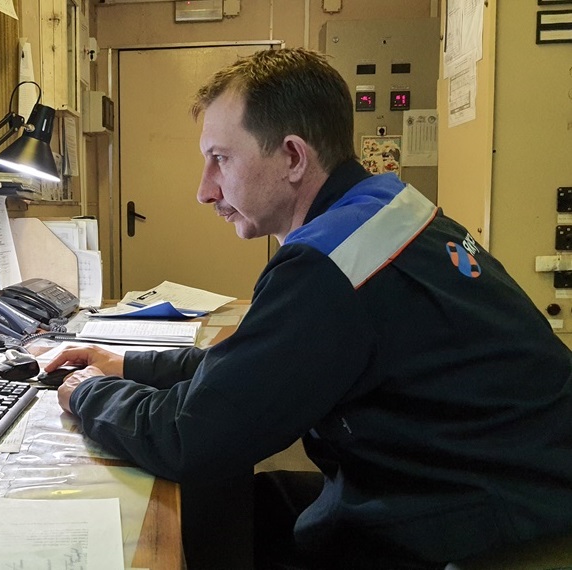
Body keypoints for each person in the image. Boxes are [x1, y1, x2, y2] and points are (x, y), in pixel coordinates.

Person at [44, 48, 572, 569]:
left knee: (208, 509)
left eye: (221, 159)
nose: (204, 190)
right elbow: (257, 366)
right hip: (497, 485)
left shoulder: (328, 265)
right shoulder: (380, 209)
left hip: (490, 529)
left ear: (294, 157)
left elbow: (192, 438)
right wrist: (126, 364)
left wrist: (87, 393)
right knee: (233, 507)